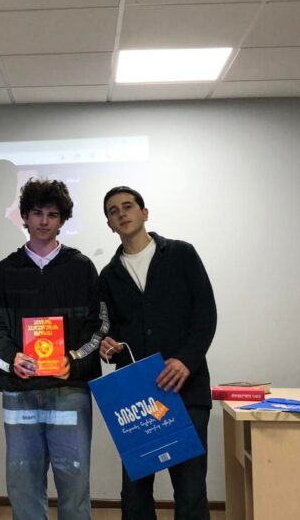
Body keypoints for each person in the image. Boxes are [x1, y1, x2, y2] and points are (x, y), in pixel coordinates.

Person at [0, 178, 106, 520]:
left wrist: (73, 361)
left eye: (52, 214)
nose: (44, 221)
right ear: (25, 217)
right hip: (20, 393)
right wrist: (12, 360)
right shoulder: (6, 270)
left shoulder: (81, 267)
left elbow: (98, 325)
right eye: (37, 213)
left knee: (75, 484)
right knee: (22, 485)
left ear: (62, 219)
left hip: (69, 391)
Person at [97, 186, 217, 520]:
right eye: (113, 211)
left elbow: (205, 314)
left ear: (144, 213)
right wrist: (107, 343)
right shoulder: (108, 275)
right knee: (135, 493)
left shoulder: (181, 254)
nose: (121, 213)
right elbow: (110, 327)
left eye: (128, 206)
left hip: (186, 388)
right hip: (136, 398)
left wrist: (186, 360)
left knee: (191, 491)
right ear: (109, 225)